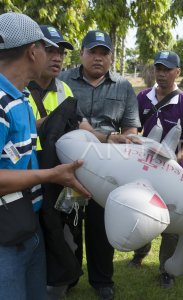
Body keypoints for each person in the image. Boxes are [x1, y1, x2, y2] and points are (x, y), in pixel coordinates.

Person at [0, 12, 89, 300]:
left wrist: (56, 123)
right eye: (45, 46)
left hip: (29, 225)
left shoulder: (20, 97)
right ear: (32, 50)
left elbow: (21, 139)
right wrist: (52, 175)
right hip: (5, 238)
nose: (53, 55)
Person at [59, 29, 141, 300]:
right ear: (81, 54)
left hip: (108, 166)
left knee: (101, 222)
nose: (97, 58)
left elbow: (130, 129)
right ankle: (69, 276)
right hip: (69, 163)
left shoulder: (123, 86)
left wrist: (126, 147)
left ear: (111, 57)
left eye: (103, 53)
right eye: (92, 52)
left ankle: (102, 280)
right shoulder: (63, 81)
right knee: (69, 220)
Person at [127, 50, 183, 288]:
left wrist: (173, 159)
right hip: (144, 170)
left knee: (169, 222)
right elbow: (133, 131)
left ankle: (166, 270)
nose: (162, 74)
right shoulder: (142, 98)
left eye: (168, 69)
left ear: (177, 73)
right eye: (159, 68)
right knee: (140, 211)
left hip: (173, 174)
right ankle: (140, 252)